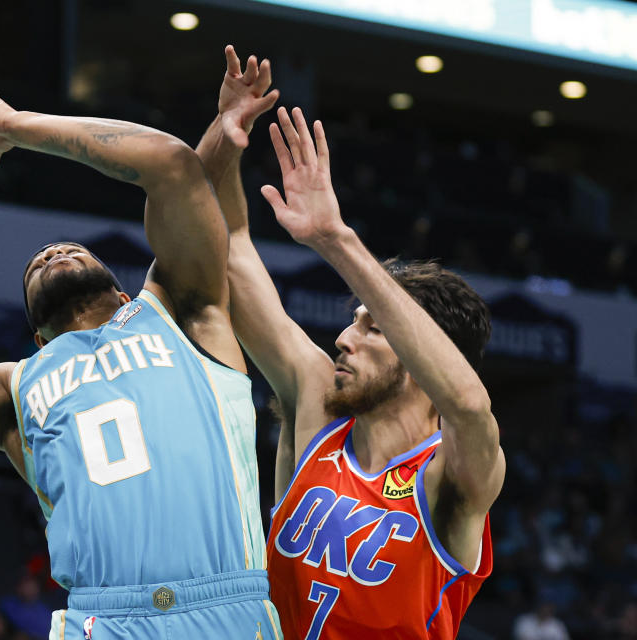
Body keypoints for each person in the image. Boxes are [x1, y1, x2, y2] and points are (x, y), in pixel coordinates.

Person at [0, 61, 280, 638]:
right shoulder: (13, 388)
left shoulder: (184, 317)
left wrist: (16, 126)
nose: (49, 254)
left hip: (227, 607)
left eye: (69, 250)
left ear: (126, 293)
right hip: (101, 621)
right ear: (36, 338)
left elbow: (174, 168)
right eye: (34, 265)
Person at [195, 47, 503, 638]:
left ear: (421, 359)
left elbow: (467, 402)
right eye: (353, 321)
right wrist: (226, 140)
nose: (342, 339)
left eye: (373, 327)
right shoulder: (316, 410)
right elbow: (230, 246)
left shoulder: (451, 474)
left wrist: (335, 239)